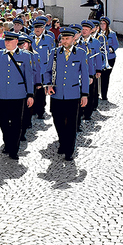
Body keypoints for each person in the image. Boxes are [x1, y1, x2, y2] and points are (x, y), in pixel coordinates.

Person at [0, 32, 34, 160]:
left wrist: (30, 94)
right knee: (2, 121)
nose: (7, 43)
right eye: (6, 41)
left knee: (17, 122)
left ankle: (14, 149)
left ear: (16, 41)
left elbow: (29, 76)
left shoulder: (25, 55)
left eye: (10, 41)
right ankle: (7, 142)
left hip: (18, 94)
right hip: (1, 94)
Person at [44, 27, 89, 161]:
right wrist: (48, 84)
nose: (64, 41)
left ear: (73, 39)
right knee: (57, 121)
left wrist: (85, 94)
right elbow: (47, 71)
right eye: (62, 39)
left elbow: (85, 75)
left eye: (67, 39)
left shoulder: (80, 53)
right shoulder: (55, 53)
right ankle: (62, 141)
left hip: (73, 94)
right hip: (57, 94)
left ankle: (69, 149)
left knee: (71, 123)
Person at [29, 20, 54, 119]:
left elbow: (52, 54)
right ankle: (33, 108)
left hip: (43, 69)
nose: (37, 29)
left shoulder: (49, 39)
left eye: (39, 27)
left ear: (43, 28)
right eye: (36, 27)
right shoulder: (29, 38)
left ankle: (41, 110)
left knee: (41, 91)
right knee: (32, 89)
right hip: (32, 69)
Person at [98, 16, 119, 100]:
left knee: (106, 76)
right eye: (101, 24)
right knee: (98, 76)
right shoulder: (98, 34)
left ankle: (104, 95)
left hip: (110, 58)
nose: (102, 25)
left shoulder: (112, 34)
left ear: (107, 25)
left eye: (104, 24)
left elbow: (116, 44)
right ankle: (97, 93)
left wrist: (111, 49)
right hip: (100, 58)